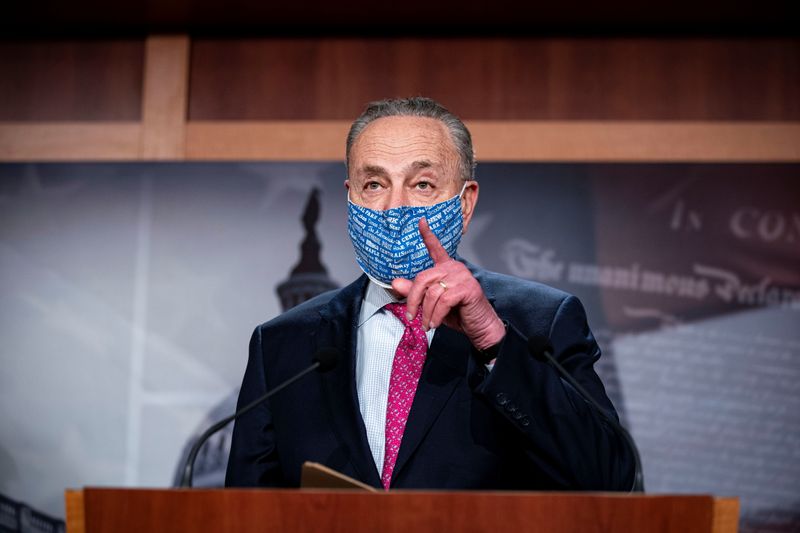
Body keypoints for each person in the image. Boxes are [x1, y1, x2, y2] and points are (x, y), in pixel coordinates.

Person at [226, 97, 634, 491]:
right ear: (350, 197)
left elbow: (608, 478)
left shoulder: (542, 320)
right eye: (374, 184)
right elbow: (243, 510)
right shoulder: (283, 345)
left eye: (422, 184)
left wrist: (494, 343)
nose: (394, 207)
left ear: (466, 203)